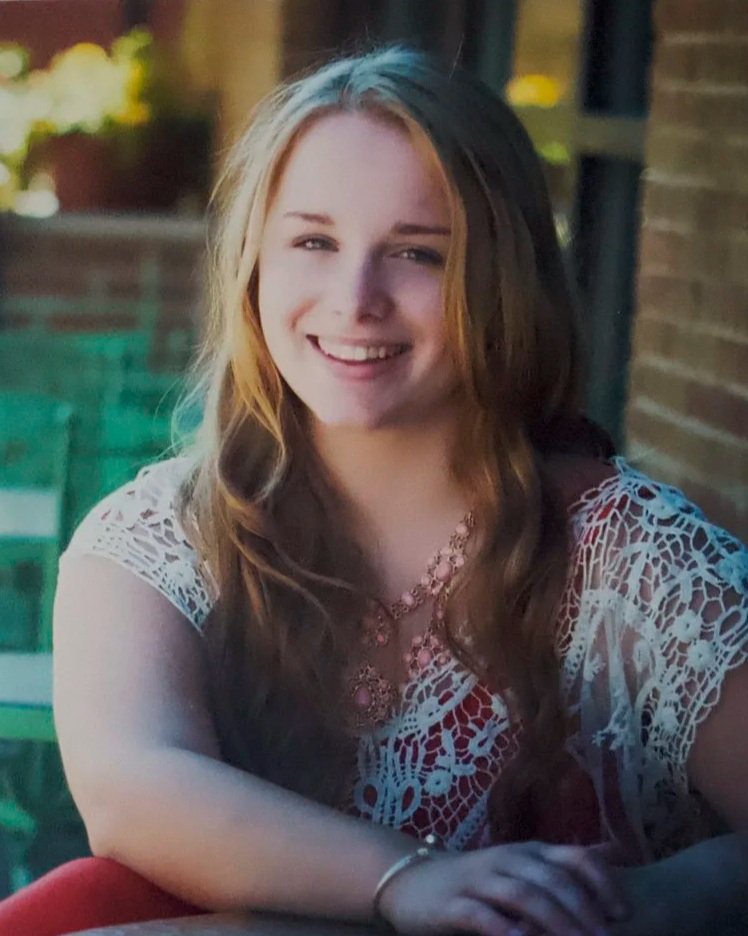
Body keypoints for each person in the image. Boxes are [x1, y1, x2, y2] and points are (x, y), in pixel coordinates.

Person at [1, 45, 746, 936]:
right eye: (313, 241)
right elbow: (134, 790)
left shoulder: (638, 556)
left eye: (418, 254)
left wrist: (627, 907)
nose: (356, 298)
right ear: (254, 267)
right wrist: (406, 883)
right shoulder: (153, 541)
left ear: (500, 280)